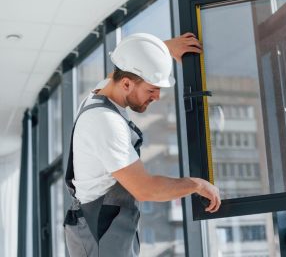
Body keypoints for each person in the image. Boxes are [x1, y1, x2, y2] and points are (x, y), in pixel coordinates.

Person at [64, 32, 221, 257]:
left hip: (106, 226)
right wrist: (196, 185)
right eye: (151, 89)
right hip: (99, 236)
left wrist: (162, 50)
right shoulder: (105, 122)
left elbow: (127, 63)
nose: (157, 96)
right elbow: (146, 189)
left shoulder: (105, 90)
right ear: (126, 83)